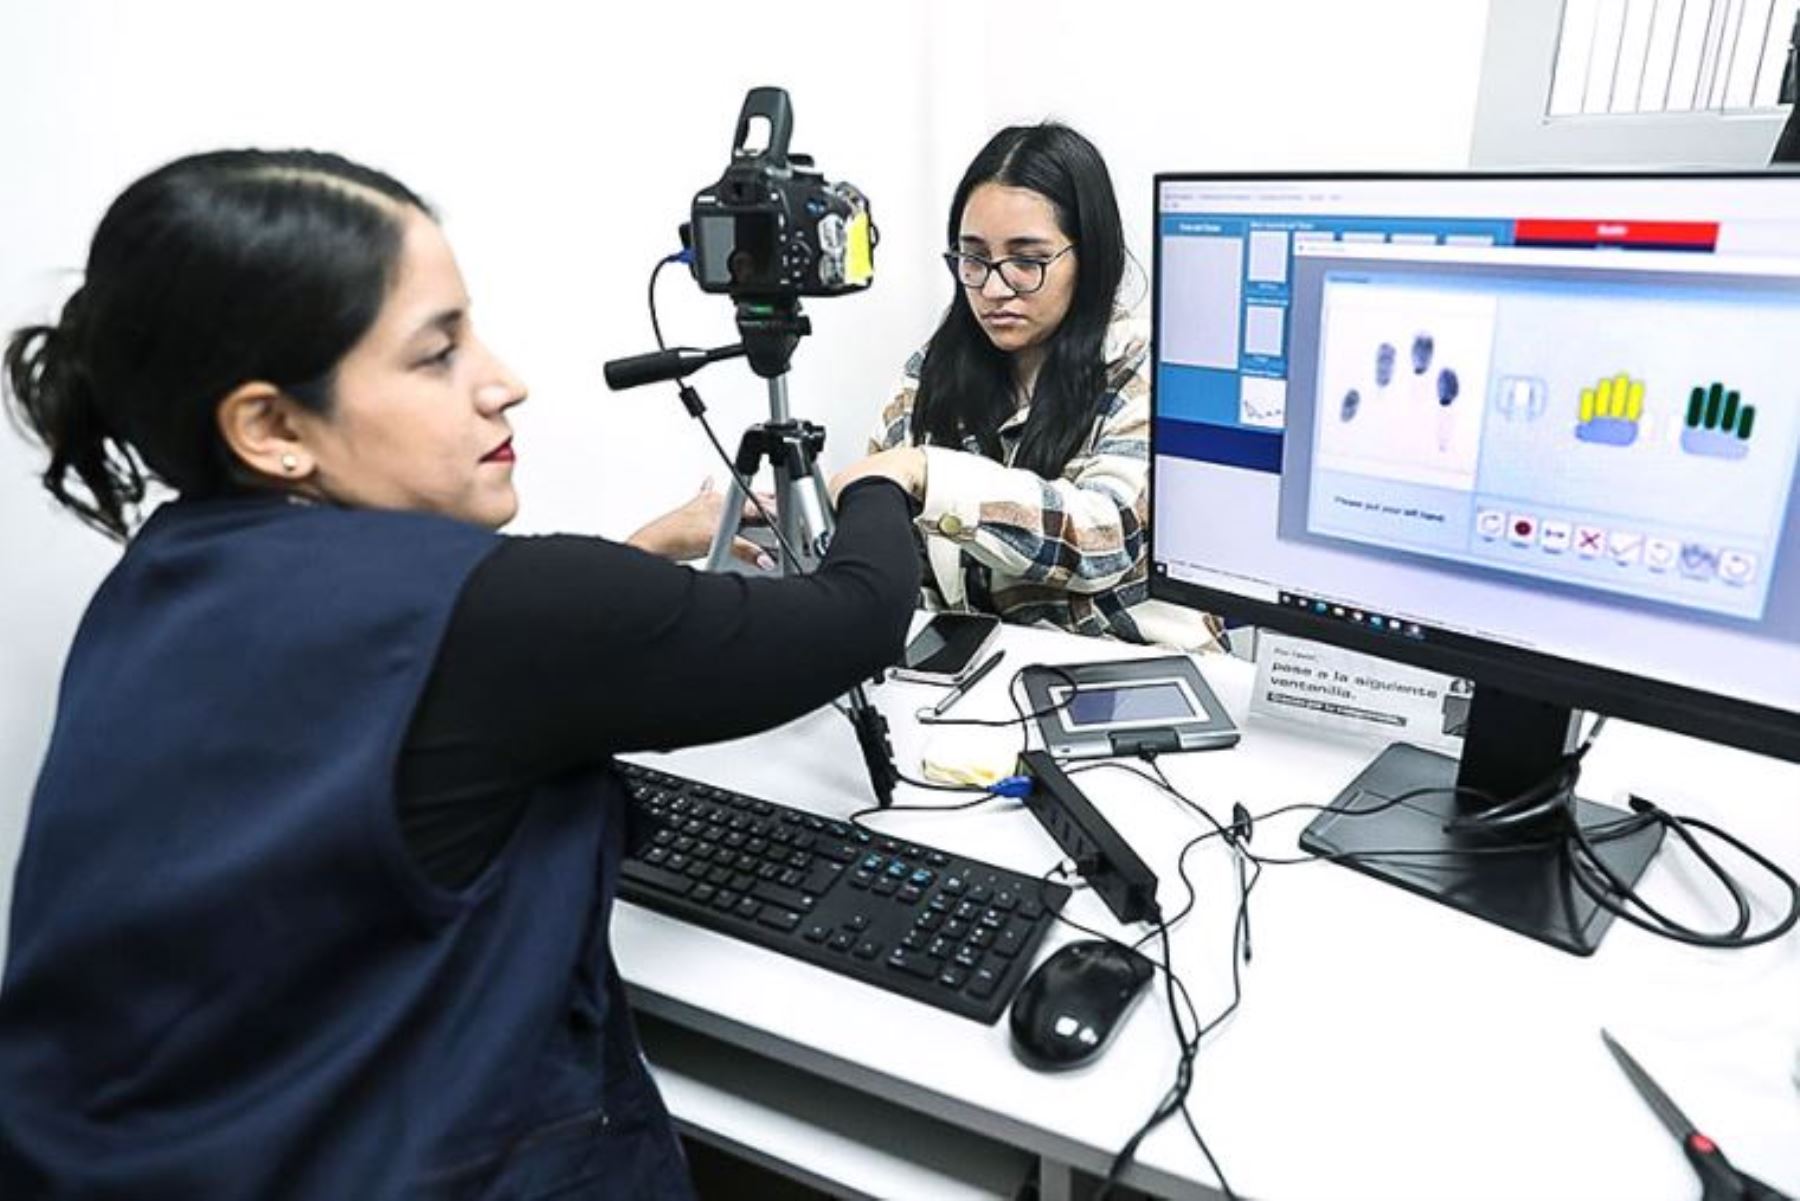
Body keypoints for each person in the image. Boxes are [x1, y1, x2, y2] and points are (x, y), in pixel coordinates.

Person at [0, 149, 919, 1199]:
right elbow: (858, 617)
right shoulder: (511, 621)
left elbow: (430, 670)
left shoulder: (160, 576)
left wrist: (632, 557)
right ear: (272, 427)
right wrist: (883, 479)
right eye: (438, 353)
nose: (505, 381)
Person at [830, 122, 1218, 650]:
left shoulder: (1148, 368)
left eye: (1027, 262)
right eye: (974, 258)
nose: (993, 287)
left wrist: (930, 473)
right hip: (989, 673)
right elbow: (896, 550)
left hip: (1136, 675)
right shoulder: (934, 371)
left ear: (1091, 255)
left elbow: (1104, 536)